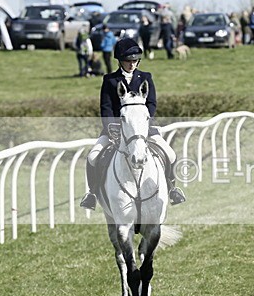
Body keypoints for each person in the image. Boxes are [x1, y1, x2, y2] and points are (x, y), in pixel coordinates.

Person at [79, 38, 186, 210]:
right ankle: (92, 193)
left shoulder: (146, 77)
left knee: (170, 154)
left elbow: (151, 104)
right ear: (120, 61)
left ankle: (173, 188)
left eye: (134, 61)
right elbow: (106, 108)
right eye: (128, 61)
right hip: (115, 129)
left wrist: (142, 123)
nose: (131, 64)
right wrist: (112, 129)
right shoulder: (109, 80)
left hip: (144, 128)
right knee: (93, 156)